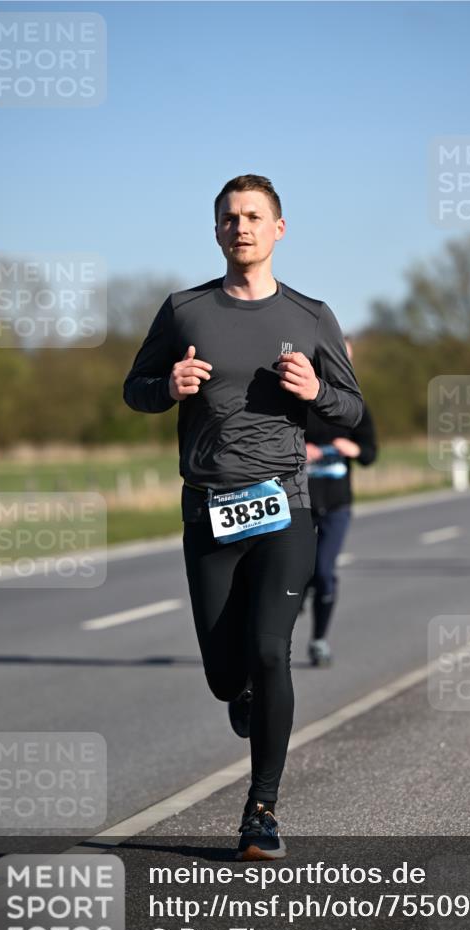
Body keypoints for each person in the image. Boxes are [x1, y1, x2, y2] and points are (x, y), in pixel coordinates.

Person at [123, 175, 363, 860]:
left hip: (283, 504)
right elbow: (133, 391)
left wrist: (317, 390)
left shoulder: (311, 315)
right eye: (230, 218)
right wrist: (166, 387)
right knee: (226, 675)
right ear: (217, 230)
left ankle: (261, 811)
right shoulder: (183, 310)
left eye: (254, 217)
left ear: (278, 229)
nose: (241, 228)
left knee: (269, 650)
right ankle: (243, 695)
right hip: (208, 510)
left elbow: (350, 409)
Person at [304, 338, 377, 665]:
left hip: (336, 504)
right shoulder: (298, 401)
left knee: (323, 571)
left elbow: (371, 453)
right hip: (298, 504)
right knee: (293, 575)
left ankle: (318, 639)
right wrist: (299, 450)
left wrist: (354, 450)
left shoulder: (355, 406)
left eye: (346, 360)